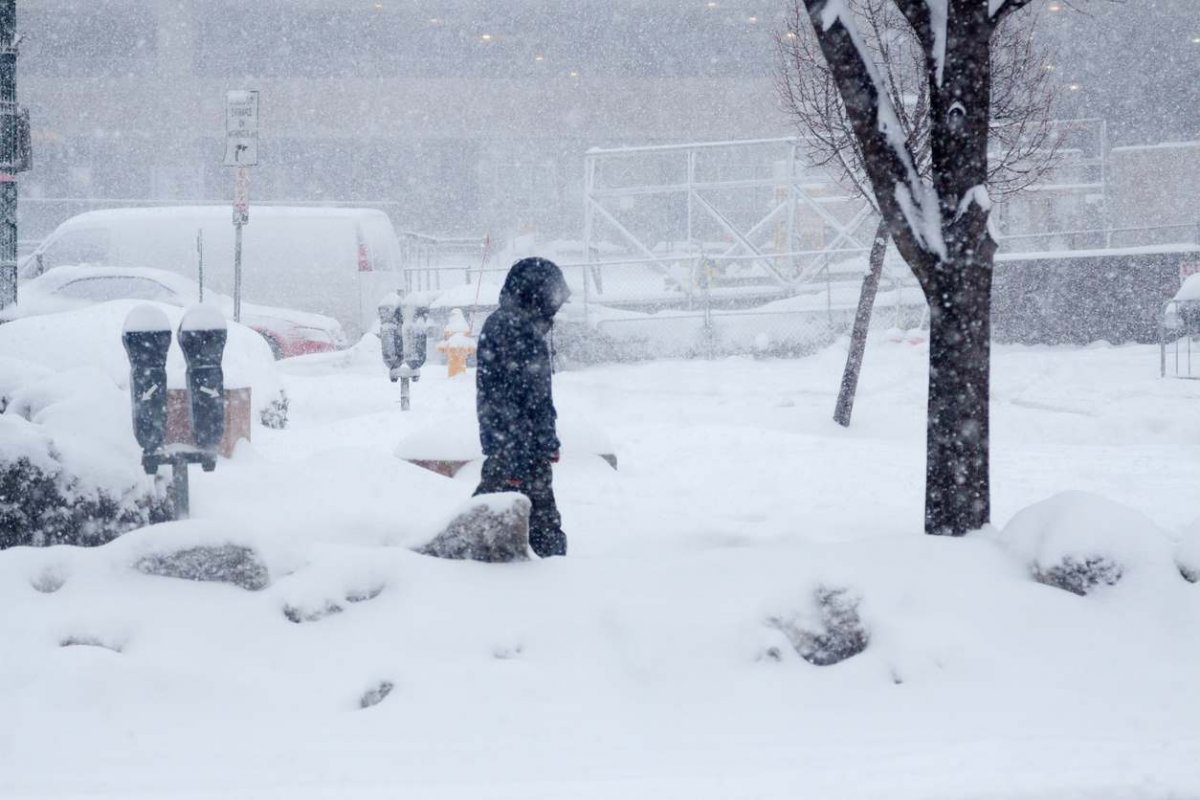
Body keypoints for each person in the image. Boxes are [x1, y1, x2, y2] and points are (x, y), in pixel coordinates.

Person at [473, 257, 571, 557]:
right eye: (553, 296)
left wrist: (546, 439)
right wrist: (516, 456)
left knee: (510, 515)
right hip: (516, 449)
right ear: (536, 292)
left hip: (523, 448)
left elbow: (536, 397)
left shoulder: (520, 325)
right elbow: (505, 400)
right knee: (527, 522)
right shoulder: (513, 328)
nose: (557, 305)